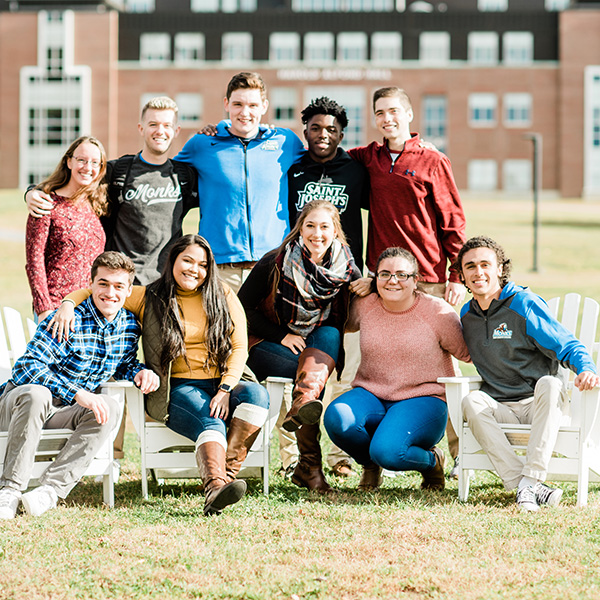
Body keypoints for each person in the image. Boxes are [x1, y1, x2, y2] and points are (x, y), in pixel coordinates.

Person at [55, 235, 270, 516]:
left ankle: (222, 479)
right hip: (177, 388)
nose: (194, 269)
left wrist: (226, 388)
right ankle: (216, 485)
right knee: (210, 419)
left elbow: (240, 346)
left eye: (202, 264)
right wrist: (67, 305)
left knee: (257, 395)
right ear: (173, 261)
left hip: (221, 383)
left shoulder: (223, 294)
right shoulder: (149, 296)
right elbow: (102, 290)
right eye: (187, 261)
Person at [348, 86, 467, 474]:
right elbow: (326, 157)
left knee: (443, 370)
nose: (388, 119)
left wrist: (456, 274)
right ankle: (369, 459)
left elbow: (453, 222)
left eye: (394, 111)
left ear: (410, 114)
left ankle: (458, 452)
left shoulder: (432, 159)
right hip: (383, 282)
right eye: (380, 113)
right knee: (374, 362)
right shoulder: (368, 158)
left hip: (429, 277)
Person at [0, 252, 159, 520]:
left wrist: (141, 371)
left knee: (107, 407)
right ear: (91, 284)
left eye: (119, 286)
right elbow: (26, 368)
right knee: (38, 394)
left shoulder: (129, 326)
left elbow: (123, 363)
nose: (110, 292)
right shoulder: (66, 319)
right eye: (103, 283)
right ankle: (10, 491)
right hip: (18, 408)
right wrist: (77, 393)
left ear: (129, 290)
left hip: (61, 415)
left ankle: (49, 491)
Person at [456, 236, 600, 511]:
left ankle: (530, 480)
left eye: (485, 264)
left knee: (549, 382)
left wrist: (586, 368)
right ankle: (527, 488)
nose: (478, 272)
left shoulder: (523, 304)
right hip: (501, 406)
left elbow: (566, 344)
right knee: (471, 401)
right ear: (462, 274)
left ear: (500, 269)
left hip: (541, 404)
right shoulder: (467, 315)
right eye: (470, 266)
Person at [238, 200, 362, 493]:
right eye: (310, 226)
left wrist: (367, 285)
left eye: (324, 227)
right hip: (269, 344)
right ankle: (310, 466)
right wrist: (280, 335)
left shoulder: (346, 267)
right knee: (307, 377)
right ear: (300, 228)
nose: (316, 233)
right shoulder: (276, 261)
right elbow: (241, 307)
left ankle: (305, 430)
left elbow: (361, 300)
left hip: (315, 348)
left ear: (335, 231)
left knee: (329, 333)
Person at [324, 247, 470, 491]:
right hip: (371, 394)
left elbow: (469, 354)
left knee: (389, 452)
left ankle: (432, 461)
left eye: (402, 275)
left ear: (415, 280)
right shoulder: (365, 305)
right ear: (375, 279)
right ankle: (370, 466)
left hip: (423, 399)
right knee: (338, 417)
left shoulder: (438, 311)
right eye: (385, 274)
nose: (393, 281)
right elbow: (334, 322)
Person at [25, 96, 198, 285]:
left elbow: (221, 195)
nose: (160, 131)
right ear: (141, 128)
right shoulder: (118, 171)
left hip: (165, 285)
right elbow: (75, 179)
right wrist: (32, 191)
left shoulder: (184, 177)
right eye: (153, 124)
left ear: (176, 131)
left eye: (167, 125)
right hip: (120, 286)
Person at [288, 96, 370, 478]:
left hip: (348, 285)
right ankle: (294, 457)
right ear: (304, 130)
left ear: (342, 134)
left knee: (345, 372)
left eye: (332, 130)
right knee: (299, 371)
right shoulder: (291, 169)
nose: (323, 135)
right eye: (316, 128)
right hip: (299, 284)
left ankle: (340, 456)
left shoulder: (356, 169)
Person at [175, 71, 305, 290]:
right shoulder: (202, 143)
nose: (245, 113)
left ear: (264, 106)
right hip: (221, 268)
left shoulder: (285, 141)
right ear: (226, 104)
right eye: (238, 104)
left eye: (253, 105)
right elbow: (167, 174)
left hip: (273, 266)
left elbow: (318, 165)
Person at [25, 136, 108, 321]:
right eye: (82, 160)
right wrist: (44, 308)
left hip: (90, 309)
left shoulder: (95, 204)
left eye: (95, 162)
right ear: (69, 161)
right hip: (56, 307)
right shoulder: (46, 203)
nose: (88, 167)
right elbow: (34, 262)